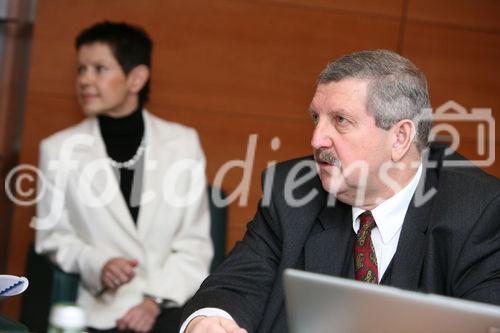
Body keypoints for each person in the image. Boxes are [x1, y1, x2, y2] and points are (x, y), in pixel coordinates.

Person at [180, 49, 500, 333]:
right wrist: (207, 321)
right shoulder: (292, 192)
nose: (317, 139)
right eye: (316, 118)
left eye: (341, 120)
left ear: (401, 138)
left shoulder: (478, 211)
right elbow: (236, 284)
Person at [34, 21, 213, 333]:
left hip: (169, 307)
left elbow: (194, 246)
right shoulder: (57, 150)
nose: (85, 80)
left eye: (99, 69)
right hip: (97, 312)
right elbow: (53, 237)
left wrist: (152, 302)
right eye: (81, 69)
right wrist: (97, 263)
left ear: (136, 78)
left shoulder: (183, 144)